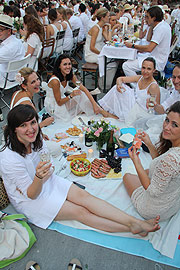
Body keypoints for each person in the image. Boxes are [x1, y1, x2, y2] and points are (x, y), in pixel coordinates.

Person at [0, 104, 160, 234]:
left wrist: (44, 174)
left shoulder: (36, 139)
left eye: (33, 123)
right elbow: (31, 195)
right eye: (23, 126)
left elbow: (47, 163)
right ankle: (131, 228)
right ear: (14, 130)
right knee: (81, 212)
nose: (31, 129)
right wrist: (39, 177)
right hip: (30, 199)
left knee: (85, 196)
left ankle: (135, 221)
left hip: (46, 179)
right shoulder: (9, 159)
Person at [123, 101, 180, 221]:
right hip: (171, 205)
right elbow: (161, 162)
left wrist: (135, 160)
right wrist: (148, 143)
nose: (167, 127)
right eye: (167, 120)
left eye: (175, 125)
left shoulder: (171, 159)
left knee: (127, 176)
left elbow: (151, 190)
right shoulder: (173, 154)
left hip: (154, 210)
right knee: (147, 170)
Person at [44, 54, 116, 121]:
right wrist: (71, 95)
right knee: (77, 95)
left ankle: (99, 110)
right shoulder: (55, 81)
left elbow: (83, 89)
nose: (68, 67)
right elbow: (59, 102)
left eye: (69, 64)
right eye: (65, 64)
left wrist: (94, 104)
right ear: (59, 66)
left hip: (62, 100)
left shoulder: (70, 75)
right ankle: (101, 112)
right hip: (54, 106)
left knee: (80, 92)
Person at [98, 57, 160, 123]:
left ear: (154, 70)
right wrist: (119, 85)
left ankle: (114, 116)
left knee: (122, 92)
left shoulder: (153, 86)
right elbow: (120, 79)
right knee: (117, 88)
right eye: (143, 68)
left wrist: (152, 104)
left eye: (149, 69)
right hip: (133, 101)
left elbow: (156, 107)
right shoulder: (140, 78)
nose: (145, 71)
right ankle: (109, 112)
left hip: (140, 110)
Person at [123, 6, 171, 79]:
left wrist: (133, 46)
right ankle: (140, 82)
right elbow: (148, 39)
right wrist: (150, 25)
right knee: (130, 58)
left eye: (147, 17)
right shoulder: (160, 25)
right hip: (155, 56)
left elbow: (149, 48)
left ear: (154, 18)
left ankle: (139, 85)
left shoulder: (161, 28)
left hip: (157, 61)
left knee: (126, 66)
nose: (146, 19)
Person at [0, 14, 25, 88]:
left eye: (1, 30)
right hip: (15, 76)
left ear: (9, 31)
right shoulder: (16, 41)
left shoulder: (8, 48)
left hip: (6, 79)